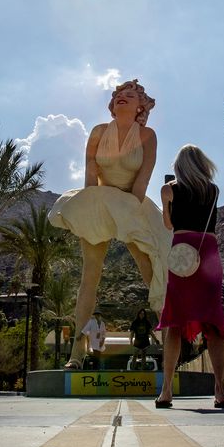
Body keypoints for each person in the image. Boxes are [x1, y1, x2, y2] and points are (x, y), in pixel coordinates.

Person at [49, 79, 172, 369]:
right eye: (118, 94)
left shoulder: (148, 136)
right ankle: (76, 354)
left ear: (140, 106)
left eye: (129, 95)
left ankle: (170, 344)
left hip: (132, 203)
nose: (122, 97)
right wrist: (88, 212)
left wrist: (128, 214)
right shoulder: (98, 132)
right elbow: (90, 177)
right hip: (100, 203)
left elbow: (142, 182)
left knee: (149, 269)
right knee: (89, 276)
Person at [155, 144, 224, 408]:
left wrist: (166, 202)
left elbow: (168, 224)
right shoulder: (213, 190)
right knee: (213, 322)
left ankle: (166, 391)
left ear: (179, 166)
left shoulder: (169, 189)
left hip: (182, 254)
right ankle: (221, 391)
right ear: (201, 164)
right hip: (208, 253)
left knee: (174, 322)